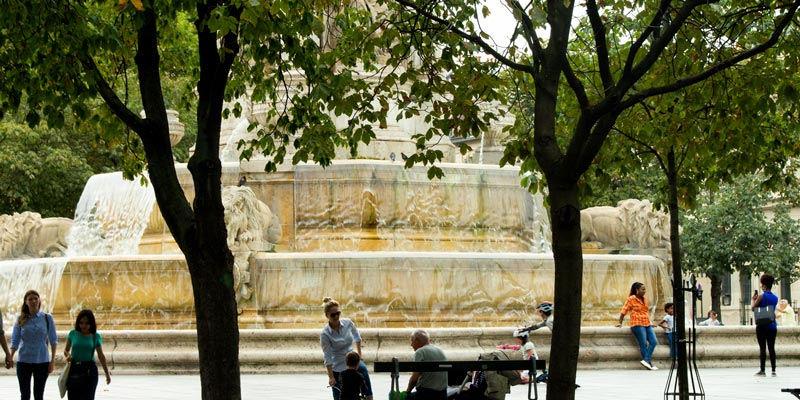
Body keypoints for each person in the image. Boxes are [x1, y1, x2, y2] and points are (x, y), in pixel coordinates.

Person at [320, 297, 373, 400]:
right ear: (327, 316)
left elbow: (357, 337)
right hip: (338, 365)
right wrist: (331, 376)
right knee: (339, 395)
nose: (336, 316)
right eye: (333, 315)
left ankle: (370, 398)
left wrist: (359, 355)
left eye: (338, 313)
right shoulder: (325, 334)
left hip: (352, 360)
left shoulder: (348, 323)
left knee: (364, 371)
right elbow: (327, 356)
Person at [10, 289, 58, 400]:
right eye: (30, 299)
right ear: (26, 302)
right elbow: (15, 340)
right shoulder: (20, 319)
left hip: (42, 361)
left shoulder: (47, 318)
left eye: (35, 298)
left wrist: (53, 361)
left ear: (39, 300)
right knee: (25, 395)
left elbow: (53, 340)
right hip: (23, 361)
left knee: (39, 394)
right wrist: (11, 356)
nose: (33, 301)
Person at [63, 309, 111, 400]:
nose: (83, 326)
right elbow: (66, 350)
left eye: (87, 323)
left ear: (91, 323)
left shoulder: (95, 336)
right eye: (81, 323)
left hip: (89, 371)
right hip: (74, 369)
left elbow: (101, 355)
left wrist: (107, 374)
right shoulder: (73, 333)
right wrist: (68, 355)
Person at [616, 282, 658, 371]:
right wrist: (620, 322)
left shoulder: (645, 299)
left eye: (645, 289)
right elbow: (624, 310)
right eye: (643, 289)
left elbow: (646, 312)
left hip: (646, 323)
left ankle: (646, 360)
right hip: (637, 323)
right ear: (637, 290)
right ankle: (649, 363)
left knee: (654, 341)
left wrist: (650, 322)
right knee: (643, 343)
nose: (644, 291)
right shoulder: (631, 299)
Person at [405, 329, 448, 400]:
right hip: (442, 395)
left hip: (425, 394)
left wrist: (408, 391)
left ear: (417, 340)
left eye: (412, 341)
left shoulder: (420, 352)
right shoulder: (439, 350)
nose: (411, 345)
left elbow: (414, 378)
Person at [751, 274, 778, 377]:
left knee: (763, 348)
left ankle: (762, 370)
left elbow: (753, 308)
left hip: (762, 325)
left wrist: (753, 299)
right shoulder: (775, 298)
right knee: (772, 348)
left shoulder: (761, 296)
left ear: (764, 286)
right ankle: (773, 370)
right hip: (772, 325)